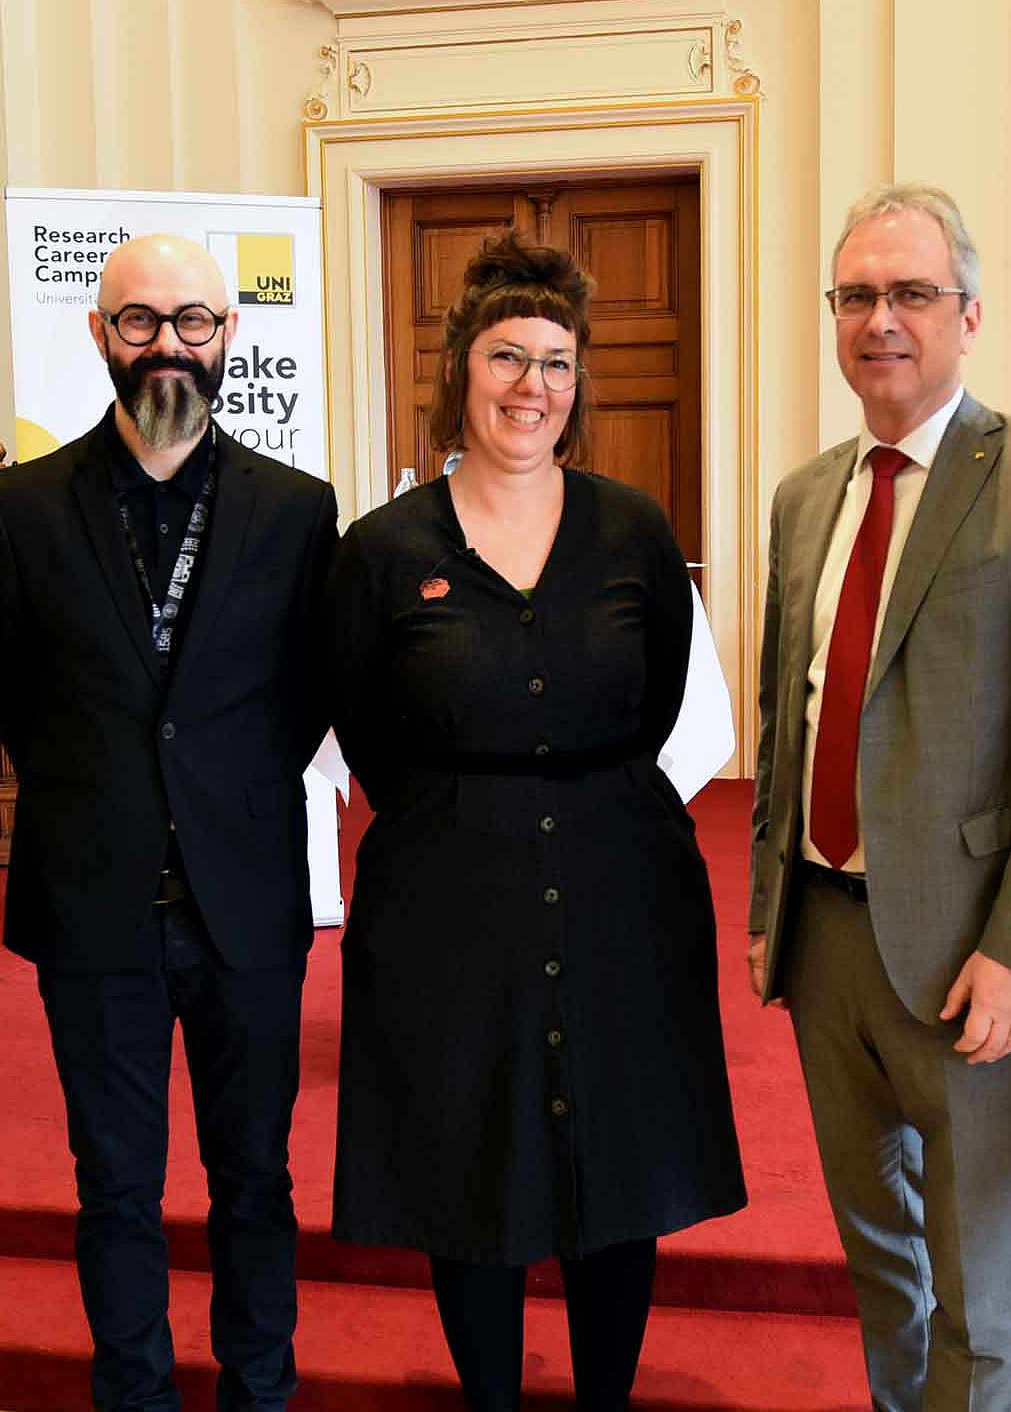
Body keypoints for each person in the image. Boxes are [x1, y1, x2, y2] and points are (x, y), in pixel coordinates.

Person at [326, 231, 746, 1411]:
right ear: (461, 370)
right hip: (446, 890)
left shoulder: (634, 530)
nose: (532, 386)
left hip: (624, 882)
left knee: (619, 1155)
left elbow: (659, 702)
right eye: (507, 357)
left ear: (579, 383)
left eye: (557, 363)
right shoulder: (384, 549)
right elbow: (364, 725)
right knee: (472, 1156)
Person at [746, 183, 1011, 1411]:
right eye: (856, 295)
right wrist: (766, 907)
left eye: (912, 293)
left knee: (977, 1277)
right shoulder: (808, 494)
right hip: (825, 935)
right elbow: (788, 712)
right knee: (879, 1254)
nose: (881, 319)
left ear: (968, 314)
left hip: (973, 948)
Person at [0, 233, 338, 1412]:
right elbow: (16, 698)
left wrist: (217, 791)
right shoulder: (22, 507)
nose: (167, 343)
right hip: (95, 902)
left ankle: (259, 1391)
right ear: (100, 334)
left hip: (246, 902)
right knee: (116, 1187)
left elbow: (306, 693)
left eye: (193, 320)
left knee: (256, 1179)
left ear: (230, 336)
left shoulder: (297, 509)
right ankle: (134, 1394)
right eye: (140, 321)